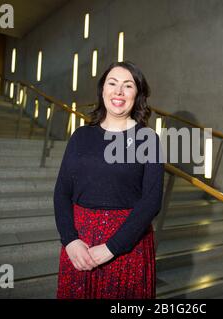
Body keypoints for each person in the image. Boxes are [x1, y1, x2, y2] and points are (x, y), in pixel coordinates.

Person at [54, 61, 164, 299]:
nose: (119, 92)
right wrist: (70, 240)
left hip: (127, 245)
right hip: (79, 244)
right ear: (102, 89)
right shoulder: (80, 136)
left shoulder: (148, 140)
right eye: (112, 83)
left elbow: (152, 201)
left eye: (128, 86)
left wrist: (112, 247)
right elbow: (62, 192)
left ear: (138, 95)